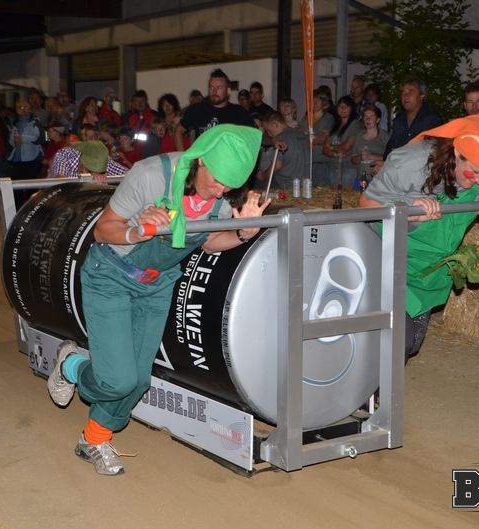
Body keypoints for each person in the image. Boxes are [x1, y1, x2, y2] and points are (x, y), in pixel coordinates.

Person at [46, 124, 269, 476]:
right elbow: (103, 230)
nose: (220, 190)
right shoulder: (150, 176)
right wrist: (138, 229)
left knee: (138, 380)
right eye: (216, 180)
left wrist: (243, 232)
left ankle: (94, 440)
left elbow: (208, 241)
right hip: (111, 275)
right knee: (117, 380)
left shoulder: (223, 200)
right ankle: (71, 365)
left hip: (157, 285)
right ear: (201, 158)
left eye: (229, 186)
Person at [358, 112, 479, 360]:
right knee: (399, 341)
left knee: (412, 343)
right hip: (384, 255)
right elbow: (366, 205)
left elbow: (470, 196)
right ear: (457, 153)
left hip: (423, 266)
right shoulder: (410, 162)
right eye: (475, 172)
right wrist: (408, 209)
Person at [175, 69, 254, 149]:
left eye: (219, 87)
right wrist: (182, 155)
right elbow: (179, 130)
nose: (214, 91)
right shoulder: (197, 109)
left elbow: (254, 137)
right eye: (211, 87)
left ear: (228, 90)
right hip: (202, 156)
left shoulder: (239, 112)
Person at [383, 78, 442, 159]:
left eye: (411, 92)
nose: (406, 96)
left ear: (422, 95)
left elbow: (437, 150)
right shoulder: (398, 120)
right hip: (396, 163)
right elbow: (390, 148)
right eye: (403, 93)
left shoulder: (431, 118)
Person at [258, 111, 309, 189]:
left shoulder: (280, 139)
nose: (269, 134)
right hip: (306, 184)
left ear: (275, 125)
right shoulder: (301, 134)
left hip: (286, 185)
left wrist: (263, 176)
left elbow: (277, 165)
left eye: (268, 130)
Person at [350, 104, 390, 191]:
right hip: (361, 178)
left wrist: (372, 156)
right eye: (365, 116)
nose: (368, 119)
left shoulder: (384, 137)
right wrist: (360, 157)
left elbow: (392, 157)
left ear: (378, 119)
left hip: (377, 179)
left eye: (371, 116)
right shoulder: (359, 136)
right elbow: (353, 159)